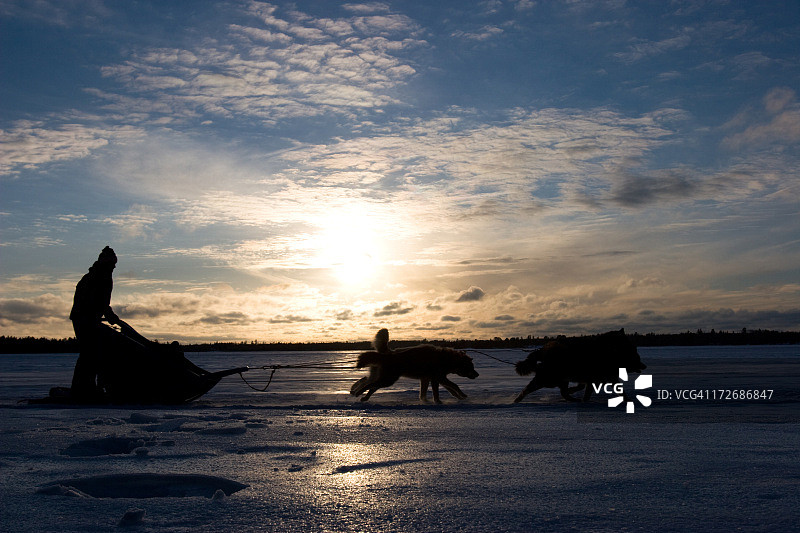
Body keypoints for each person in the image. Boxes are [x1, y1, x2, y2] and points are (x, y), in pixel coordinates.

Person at [69, 246, 121, 397]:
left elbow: (100, 303)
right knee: (90, 353)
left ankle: (88, 388)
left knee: (93, 352)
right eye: (112, 264)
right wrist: (110, 316)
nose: (114, 267)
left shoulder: (96, 275)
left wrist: (108, 315)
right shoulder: (99, 277)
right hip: (84, 318)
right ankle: (84, 389)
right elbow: (99, 301)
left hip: (87, 318)